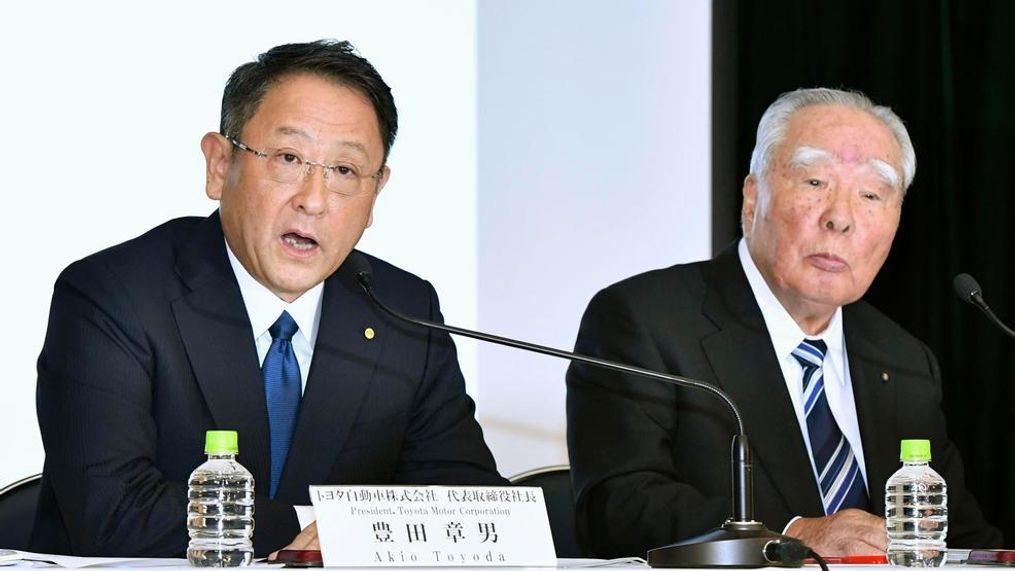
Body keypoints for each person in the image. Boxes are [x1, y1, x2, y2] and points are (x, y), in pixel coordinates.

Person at [31, 40, 505, 558]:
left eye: (345, 171)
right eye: (288, 158)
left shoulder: (404, 311)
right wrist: (331, 529)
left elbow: (470, 506)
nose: (314, 199)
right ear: (219, 164)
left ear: (376, 193)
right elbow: (113, 512)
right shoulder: (115, 295)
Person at [566, 87, 1003, 558]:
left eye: (872, 194)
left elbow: (960, 538)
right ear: (753, 198)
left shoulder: (904, 360)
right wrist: (788, 537)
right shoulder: (645, 321)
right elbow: (617, 508)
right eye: (815, 183)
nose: (840, 218)